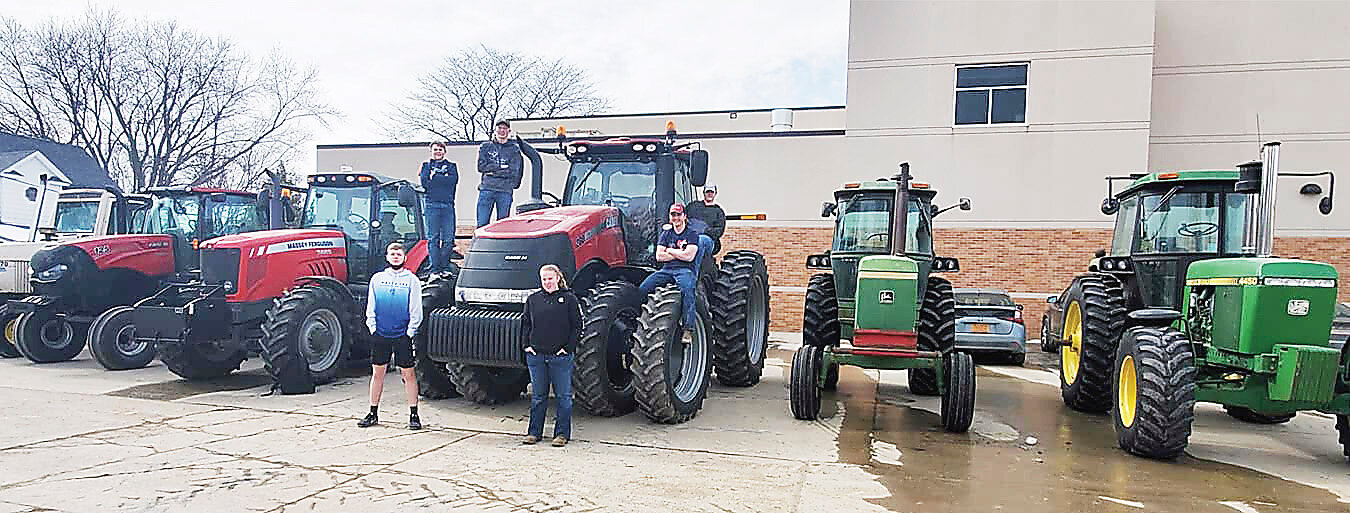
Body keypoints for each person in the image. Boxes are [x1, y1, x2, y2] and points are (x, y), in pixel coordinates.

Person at [358, 242, 424, 430]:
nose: (395, 256)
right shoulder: (377, 279)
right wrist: (373, 327)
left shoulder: (412, 280)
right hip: (381, 334)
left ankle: (414, 414)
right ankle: (372, 413)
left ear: (405, 257)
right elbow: (371, 305)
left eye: (399, 254)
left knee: (408, 374)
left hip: (402, 335)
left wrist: (409, 332)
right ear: (387, 257)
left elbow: (416, 309)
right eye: (392, 253)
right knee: (378, 373)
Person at [520, 264, 582, 447]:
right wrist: (526, 346)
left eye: (550, 278)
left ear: (557, 278)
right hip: (537, 356)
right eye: (544, 279)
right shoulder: (533, 299)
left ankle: (561, 434)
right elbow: (525, 324)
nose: (547, 282)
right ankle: (534, 433)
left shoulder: (569, 299)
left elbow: (577, 326)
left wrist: (568, 348)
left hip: (560, 357)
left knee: (563, 397)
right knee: (538, 396)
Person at [639, 203, 714, 332]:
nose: (676, 218)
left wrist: (670, 250)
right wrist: (679, 253)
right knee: (643, 288)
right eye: (673, 214)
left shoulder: (692, 235)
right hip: (667, 270)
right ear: (670, 217)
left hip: (685, 271)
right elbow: (659, 257)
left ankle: (688, 328)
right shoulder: (666, 234)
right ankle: (640, 321)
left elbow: (689, 257)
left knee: (688, 290)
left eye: (678, 214)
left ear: (684, 216)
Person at [476, 120, 540, 227]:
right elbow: (481, 167)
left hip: (505, 191)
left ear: (509, 131)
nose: (502, 131)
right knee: (482, 223)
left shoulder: (514, 149)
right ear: (495, 130)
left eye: (505, 129)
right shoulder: (485, 147)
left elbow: (513, 171)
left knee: (503, 224)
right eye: (499, 128)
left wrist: (492, 171)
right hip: (487, 189)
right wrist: (502, 167)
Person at [420, 142, 458, 273]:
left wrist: (435, 177)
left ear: (444, 151)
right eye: (435, 149)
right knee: (433, 238)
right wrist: (442, 178)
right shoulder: (426, 166)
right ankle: (435, 268)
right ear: (431, 151)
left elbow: (452, 181)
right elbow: (425, 183)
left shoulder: (452, 166)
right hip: (432, 205)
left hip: (448, 205)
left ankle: (444, 266)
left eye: (440, 149)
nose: (438, 152)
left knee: (448, 239)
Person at [684, 185, 726, 254]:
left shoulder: (718, 211)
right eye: (707, 192)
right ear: (703, 193)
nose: (709, 194)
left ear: (715, 193)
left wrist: (704, 230)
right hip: (689, 236)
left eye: (712, 192)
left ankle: (694, 264)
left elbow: (719, 231)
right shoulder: (693, 206)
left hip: (707, 239)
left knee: (700, 241)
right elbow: (682, 217)